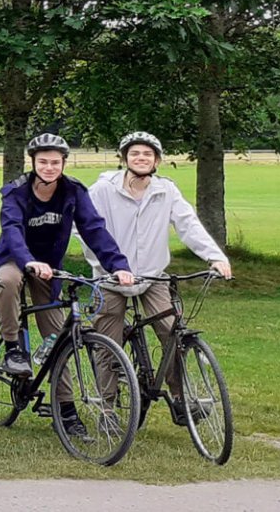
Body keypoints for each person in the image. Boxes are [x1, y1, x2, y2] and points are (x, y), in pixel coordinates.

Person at [0, 132, 134, 437]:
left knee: (57, 338)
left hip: (49, 268)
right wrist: (28, 261)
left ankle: (66, 411)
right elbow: (12, 230)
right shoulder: (16, 192)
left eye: (55, 162)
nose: (50, 167)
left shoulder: (73, 191)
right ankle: (13, 348)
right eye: (43, 161)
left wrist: (118, 266)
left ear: (64, 163)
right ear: (34, 163)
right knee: (8, 280)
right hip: (16, 258)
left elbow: (94, 229)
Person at [85, 131, 232, 425]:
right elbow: (85, 229)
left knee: (171, 331)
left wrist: (215, 257)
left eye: (148, 154)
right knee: (107, 340)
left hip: (152, 275)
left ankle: (181, 400)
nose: (141, 158)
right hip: (111, 277)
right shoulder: (102, 190)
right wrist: (110, 265)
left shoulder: (166, 190)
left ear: (157, 160)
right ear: (124, 158)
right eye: (135, 153)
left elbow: (188, 225)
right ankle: (106, 408)